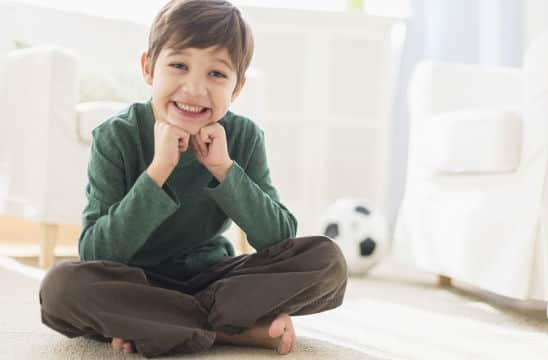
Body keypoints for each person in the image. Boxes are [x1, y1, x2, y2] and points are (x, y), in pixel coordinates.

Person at [38, 0, 348, 357]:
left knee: (327, 261)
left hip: (216, 279)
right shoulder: (115, 137)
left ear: (237, 87)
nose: (194, 89)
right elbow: (95, 252)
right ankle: (233, 332)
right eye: (179, 65)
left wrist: (225, 169)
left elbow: (279, 241)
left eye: (216, 74)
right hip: (137, 283)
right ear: (149, 68)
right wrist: (158, 171)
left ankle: (154, 326)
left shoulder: (244, 137)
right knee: (61, 288)